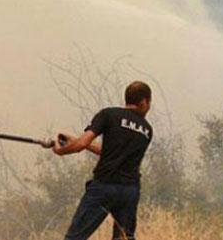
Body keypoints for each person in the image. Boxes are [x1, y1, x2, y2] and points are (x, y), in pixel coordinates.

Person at [52, 80, 153, 240]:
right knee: (124, 238)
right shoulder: (147, 130)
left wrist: (61, 150)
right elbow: (112, 152)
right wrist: (79, 141)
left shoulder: (109, 114)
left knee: (75, 238)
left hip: (104, 186)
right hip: (129, 191)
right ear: (143, 102)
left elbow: (83, 144)